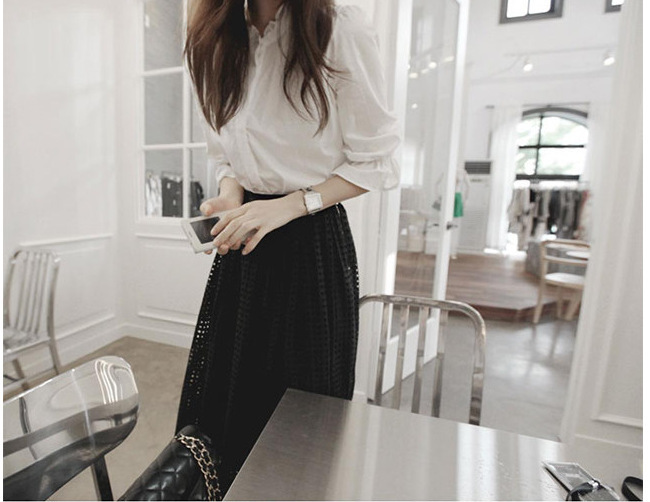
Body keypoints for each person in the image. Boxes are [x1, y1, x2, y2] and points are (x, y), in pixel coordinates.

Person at [175, 0, 401, 495]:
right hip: (244, 250)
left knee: (299, 421)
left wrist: (289, 207)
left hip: (310, 247)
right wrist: (231, 193)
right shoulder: (213, 34)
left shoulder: (338, 27)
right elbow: (224, 152)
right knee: (226, 401)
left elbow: (376, 160)